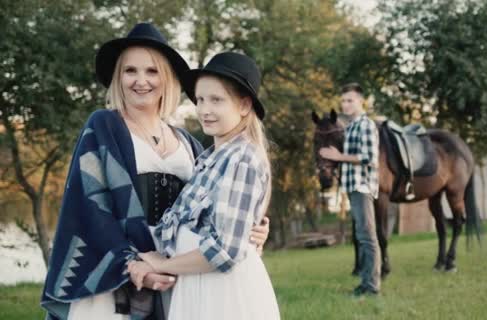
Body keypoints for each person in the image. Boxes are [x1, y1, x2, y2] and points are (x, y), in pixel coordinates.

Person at [40, 23, 270, 320]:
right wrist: (133, 264)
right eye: (130, 71)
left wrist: (255, 228)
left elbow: (217, 208)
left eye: (152, 71)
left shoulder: (188, 142)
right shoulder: (104, 127)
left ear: (167, 78)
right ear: (117, 77)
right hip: (119, 277)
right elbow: (90, 210)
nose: (141, 81)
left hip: (175, 272)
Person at [128, 52, 280, 319]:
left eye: (217, 100)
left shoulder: (241, 159)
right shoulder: (208, 158)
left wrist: (165, 264)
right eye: (199, 99)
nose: (204, 110)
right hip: (199, 284)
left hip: (223, 291)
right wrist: (142, 259)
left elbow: (225, 251)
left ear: (244, 106)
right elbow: (185, 226)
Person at [318, 83, 381, 296]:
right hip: (353, 186)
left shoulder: (365, 125)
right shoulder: (352, 126)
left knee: (367, 237)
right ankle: (364, 283)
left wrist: (338, 157)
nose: (345, 104)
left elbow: (370, 159)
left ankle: (371, 287)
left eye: (350, 100)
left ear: (361, 101)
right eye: (343, 101)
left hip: (363, 187)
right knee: (362, 236)